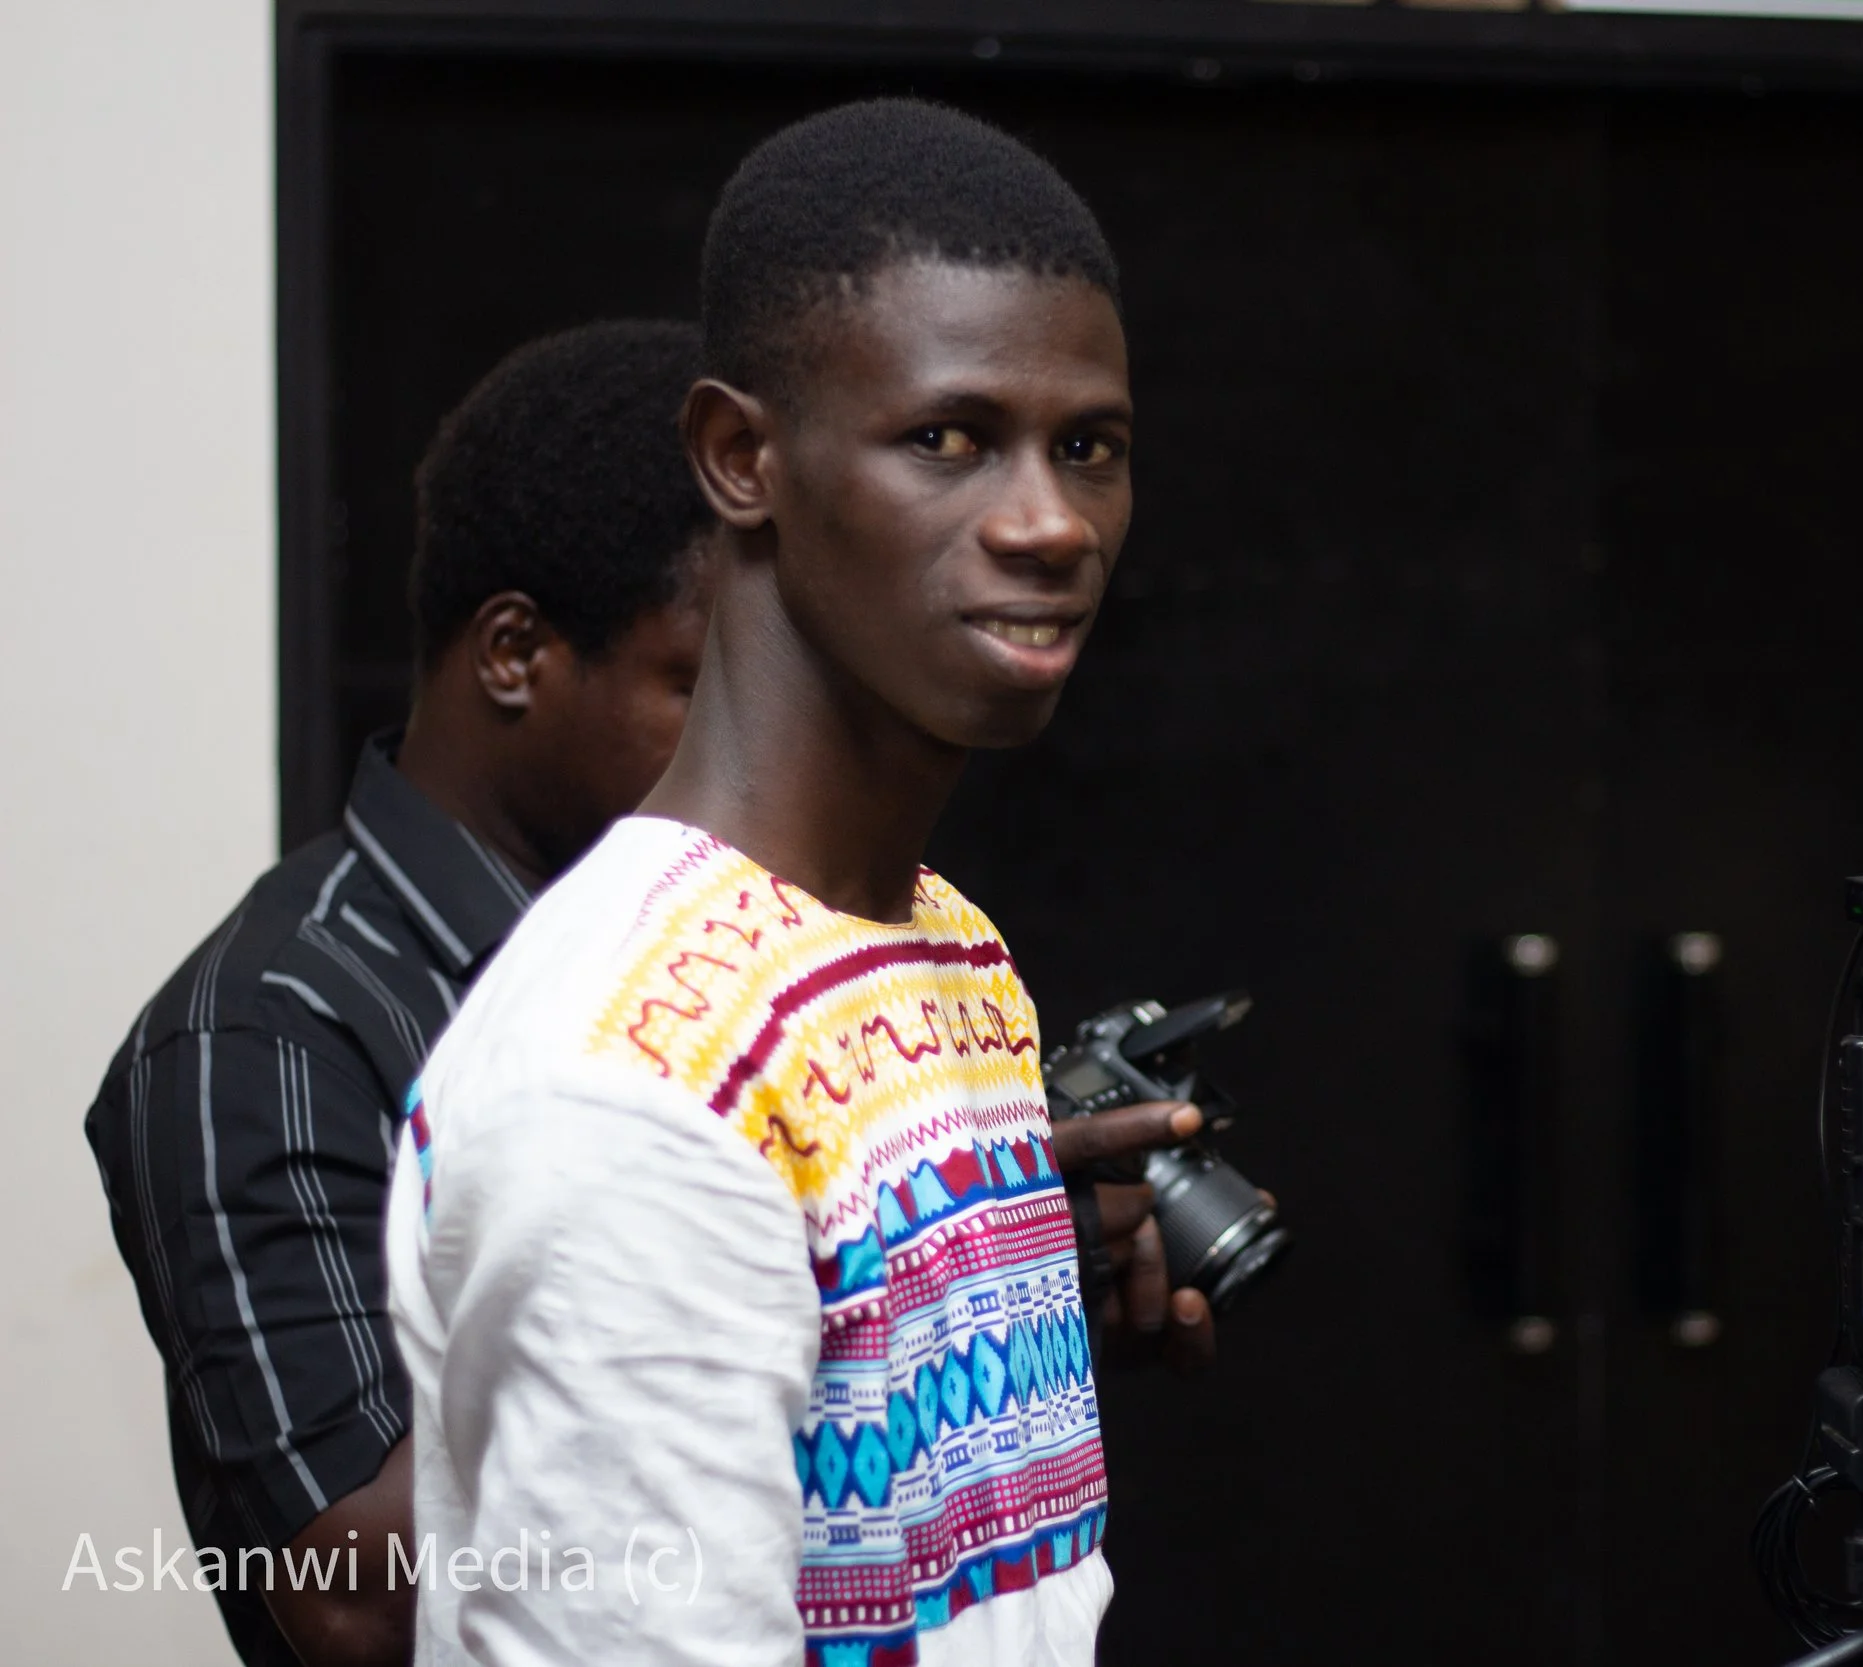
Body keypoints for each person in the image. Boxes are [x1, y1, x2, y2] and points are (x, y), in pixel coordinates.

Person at [385, 100, 1157, 1666]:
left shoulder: (940, 942)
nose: (1049, 522)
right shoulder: (631, 1078)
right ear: (744, 459)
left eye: (1089, 448)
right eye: (949, 438)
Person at [83, 319, 721, 1667]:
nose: (754, 752)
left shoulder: (710, 965)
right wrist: (829, 1288)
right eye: (702, 688)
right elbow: (351, 1597)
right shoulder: (263, 1031)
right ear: (514, 655)